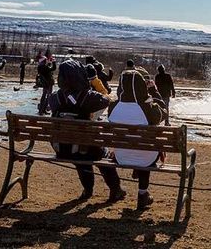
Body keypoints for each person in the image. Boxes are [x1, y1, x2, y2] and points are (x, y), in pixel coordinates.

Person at [49, 59, 125, 203]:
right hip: (85, 148)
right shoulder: (88, 97)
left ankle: (88, 190)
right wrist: (95, 83)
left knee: (82, 155)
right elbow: (108, 99)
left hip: (63, 148)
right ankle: (116, 190)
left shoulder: (55, 98)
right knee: (102, 155)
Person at [108, 66, 167, 210]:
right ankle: (142, 194)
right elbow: (163, 112)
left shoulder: (113, 106)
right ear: (141, 86)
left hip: (121, 155)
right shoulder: (146, 108)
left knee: (138, 146)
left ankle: (132, 183)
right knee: (144, 150)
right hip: (146, 157)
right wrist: (153, 91)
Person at [37, 49, 56, 115]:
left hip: (45, 83)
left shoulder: (40, 67)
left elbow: (48, 68)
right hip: (48, 83)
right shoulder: (45, 67)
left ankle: (42, 110)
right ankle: (42, 110)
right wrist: (53, 62)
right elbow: (53, 68)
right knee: (48, 97)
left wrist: (49, 63)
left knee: (44, 96)